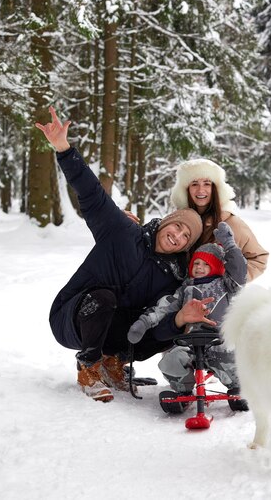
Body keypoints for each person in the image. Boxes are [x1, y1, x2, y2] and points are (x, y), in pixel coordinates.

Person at [35, 107, 208, 403]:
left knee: (161, 327)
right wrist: (64, 149)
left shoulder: (171, 277)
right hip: (73, 316)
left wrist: (180, 318)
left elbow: (162, 324)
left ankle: (114, 362)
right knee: (104, 298)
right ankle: (89, 365)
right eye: (177, 227)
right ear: (166, 222)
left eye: (184, 238)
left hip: (115, 325)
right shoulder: (122, 231)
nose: (176, 236)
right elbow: (92, 194)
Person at [127, 221, 248, 405]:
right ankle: (183, 393)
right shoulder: (186, 288)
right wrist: (144, 322)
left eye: (205, 263)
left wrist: (230, 244)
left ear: (215, 266)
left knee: (228, 355)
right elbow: (164, 306)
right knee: (171, 359)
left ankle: (238, 389)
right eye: (196, 263)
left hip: (219, 339)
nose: (199, 267)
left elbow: (239, 270)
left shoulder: (226, 284)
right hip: (190, 342)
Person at [170, 158, 269, 281]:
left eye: (207, 184)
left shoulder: (231, 223)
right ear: (186, 189)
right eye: (194, 184)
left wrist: (228, 282)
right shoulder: (178, 221)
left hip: (213, 298)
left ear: (216, 188)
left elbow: (259, 259)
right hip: (177, 295)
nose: (201, 190)